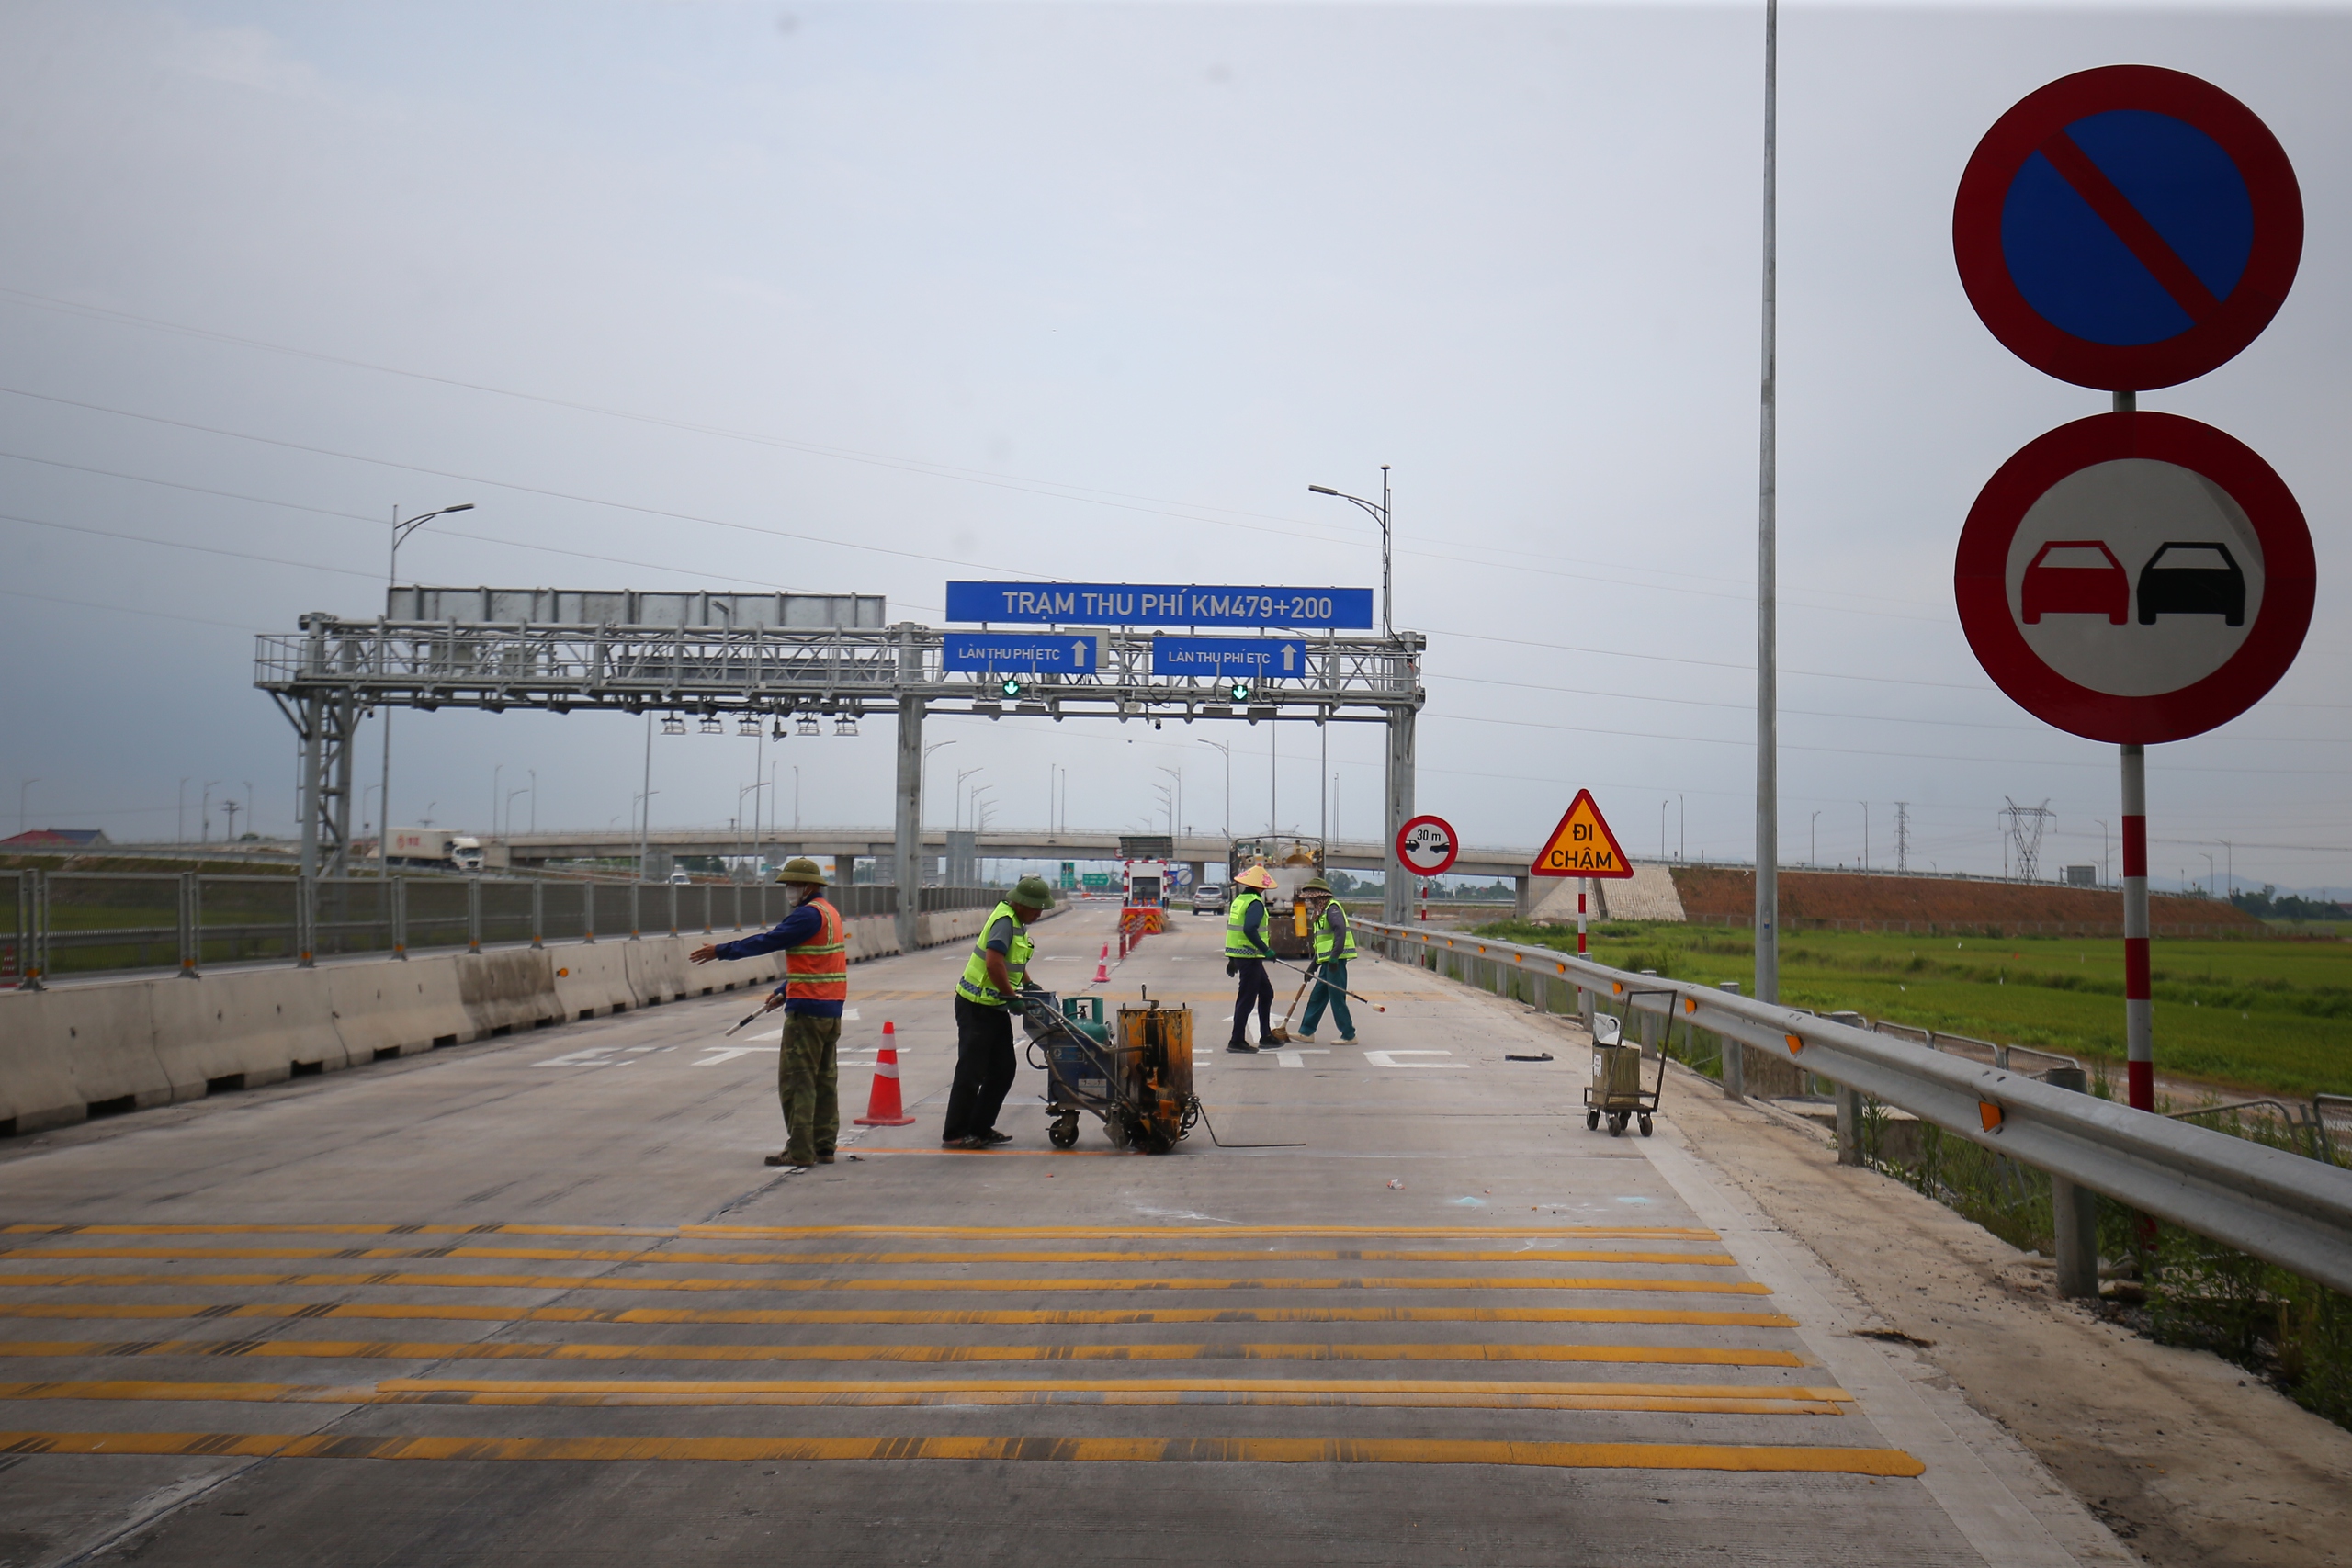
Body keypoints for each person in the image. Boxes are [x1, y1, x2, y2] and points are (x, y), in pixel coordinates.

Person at [688, 857, 846, 1169]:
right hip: (830, 1008)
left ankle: (800, 1149)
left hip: (808, 1013)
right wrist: (785, 991)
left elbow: (768, 940)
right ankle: (823, 1145)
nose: (789, 890)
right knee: (824, 1080)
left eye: (793, 884)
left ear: (810, 886)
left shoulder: (806, 916)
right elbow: (819, 963)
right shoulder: (830, 913)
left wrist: (722, 951)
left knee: (797, 1081)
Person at [944, 874, 1054, 1148]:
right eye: (1036, 908)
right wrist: (1010, 995)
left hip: (994, 1007)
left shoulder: (1016, 922)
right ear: (1022, 903)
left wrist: (1028, 984)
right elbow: (994, 963)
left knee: (1004, 1069)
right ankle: (955, 1133)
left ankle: (980, 1128)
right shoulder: (1004, 921)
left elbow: (1009, 960)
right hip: (976, 1006)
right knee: (971, 1072)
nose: (1040, 913)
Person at [1291, 877, 1358, 1044]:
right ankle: (1306, 1032)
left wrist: (1335, 957)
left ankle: (1349, 1035)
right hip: (1327, 962)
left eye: (1312, 898)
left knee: (1336, 997)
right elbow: (1321, 945)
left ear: (1320, 896)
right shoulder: (1320, 914)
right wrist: (1311, 968)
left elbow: (1340, 932)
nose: (1311, 902)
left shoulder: (1332, 909)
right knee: (1317, 997)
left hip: (1336, 962)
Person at [1224, 864, 1279, 1054]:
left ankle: (1266, 1036)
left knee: (1267, 993)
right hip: (1250, 956)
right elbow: (1248, 929)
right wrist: (1267, 950)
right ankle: (1236, 1040)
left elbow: (1233, 930)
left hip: (1243, 956)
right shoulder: (1255, 903)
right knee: (1247, 998)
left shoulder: (1239, 900)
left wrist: (1232, 959)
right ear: (1260, 886)